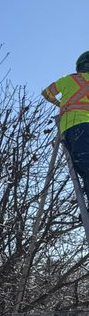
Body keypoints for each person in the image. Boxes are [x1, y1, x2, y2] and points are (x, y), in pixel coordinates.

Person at [42, 51, 89, 203]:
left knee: (85, 166)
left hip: (74, 126)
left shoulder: (69, 79)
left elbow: (47, 93)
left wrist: (60, 105)